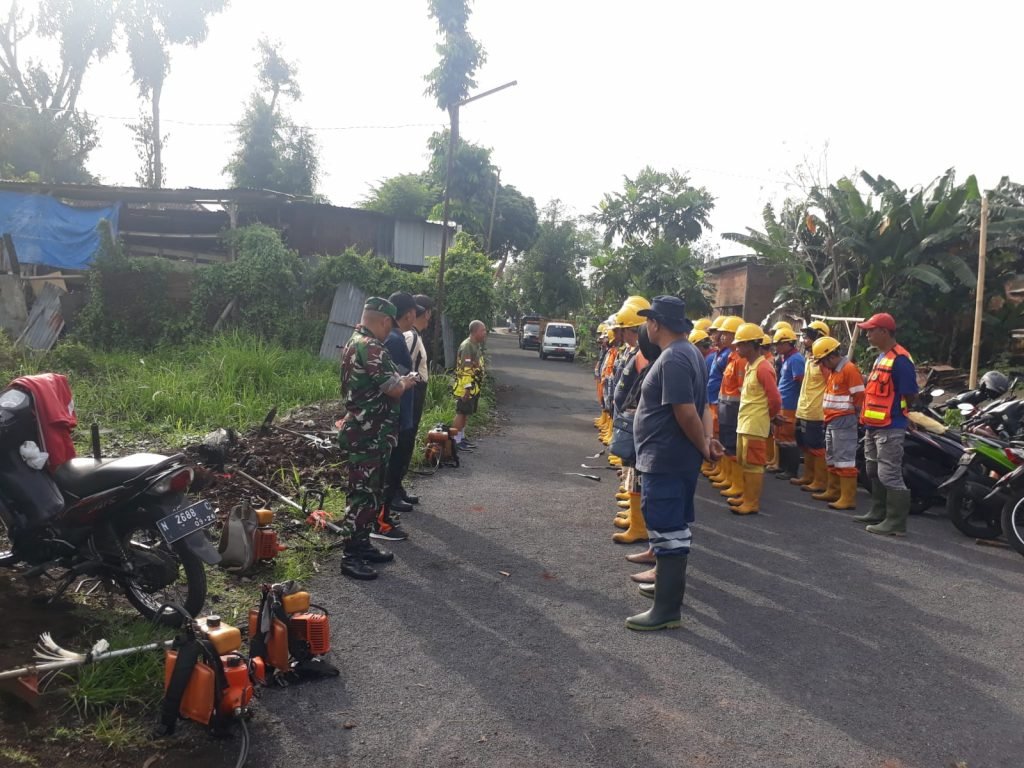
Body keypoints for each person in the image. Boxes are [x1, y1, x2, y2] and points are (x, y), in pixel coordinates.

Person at [626, 296, 719, 632]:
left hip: (666, 458)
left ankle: (666, 609)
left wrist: (704, 447)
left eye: (648, 321)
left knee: (667, 529)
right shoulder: (689, 353)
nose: (646, 327)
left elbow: (687, 411)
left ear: (655, 324)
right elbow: (703, 407)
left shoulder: (675, 358)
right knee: (671, 526)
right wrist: (706, 443)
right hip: (671, 457)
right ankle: (665, 589)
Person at [336, 297, 419, 580]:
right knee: (362, 494)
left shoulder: (353, 341)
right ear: (384, 321)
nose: (390, 332)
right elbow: (393, 388)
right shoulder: (371, 347)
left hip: (369, 432)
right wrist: (408, 380)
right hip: (368, 434)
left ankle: (362, 544)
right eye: (389, 326)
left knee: (370, 492)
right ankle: (351, 555)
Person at [856, 312, 918, 535]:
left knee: (889, 473)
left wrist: (901, 414)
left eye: (871, 331)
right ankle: (878, 510)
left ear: (884, 332)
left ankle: (895, 522)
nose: (868, 335)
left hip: (890, 426)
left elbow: (909, 393)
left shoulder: (900, 360)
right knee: (873, 469)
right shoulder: (881, 357)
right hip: (873, 425)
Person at [729, 323, 782, 515]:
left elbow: (775, 399)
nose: (737, 348)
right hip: (745, 424)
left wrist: (770, 416)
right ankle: (746, 497)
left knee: (753, 465)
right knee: (744, 462)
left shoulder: (763, 368)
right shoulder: (752, 366)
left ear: (752, 345)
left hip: (755, 425)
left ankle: (751, 503)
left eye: (740, 345)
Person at [811, 336, 865, 510]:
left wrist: (853, 416)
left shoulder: (849, 369)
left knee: (845, 460)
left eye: (822, 361)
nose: (822, 365)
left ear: (830, 356)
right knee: (832, 457)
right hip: (832, 420)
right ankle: (834, 491)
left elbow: (859, 396)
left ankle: (848, 498)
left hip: (843, 420)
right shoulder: (835, 371)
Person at [398, 294, 433, 508]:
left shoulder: (416, 335)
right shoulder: (410, 336)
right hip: (409, 395)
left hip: (416, 395)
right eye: (430, 314)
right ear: (426, 313)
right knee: (403, 443)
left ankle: (398, 487)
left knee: (408, 443)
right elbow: (402, 367)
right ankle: (392, 492)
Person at [791, 321, 831, 492]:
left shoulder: (824, 362)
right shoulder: (809, 359)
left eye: (808, 337)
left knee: (816, 446)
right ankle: (808, 476)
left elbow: (830, 383)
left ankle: (820, 480)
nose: (804, 340)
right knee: (805, 444)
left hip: (816, 411)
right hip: (804, 408)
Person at [713, 317, 748, 501]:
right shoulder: (731, 357)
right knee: (726, 442)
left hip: (734, 407)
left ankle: (737, 483)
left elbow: (743, 389)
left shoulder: (740, 360)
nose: (723, 336)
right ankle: (728, 476)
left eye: (726, 333)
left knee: (733, 445)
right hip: (726, 405)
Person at [772, 326, 805, 479]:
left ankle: (791, 470)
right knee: (780, 436)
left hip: (790, 404)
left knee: (788, 438)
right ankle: (782, 466)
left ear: (788, 344)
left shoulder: (796, 360)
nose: (777, 347)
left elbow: (800, 383)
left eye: (779, 344)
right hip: (783, 403)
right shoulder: (787, 359)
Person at [452, 319, 487, 449]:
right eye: (483, 330)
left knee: (466, 413)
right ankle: (455, 441)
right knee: (461, 412)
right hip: (465, 387)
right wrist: (467, 389)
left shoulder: (475, 345)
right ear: (475, 331)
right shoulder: (467, 346)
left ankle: (461, 438)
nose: (485, 333)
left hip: (473, 387)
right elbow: (465, 368)